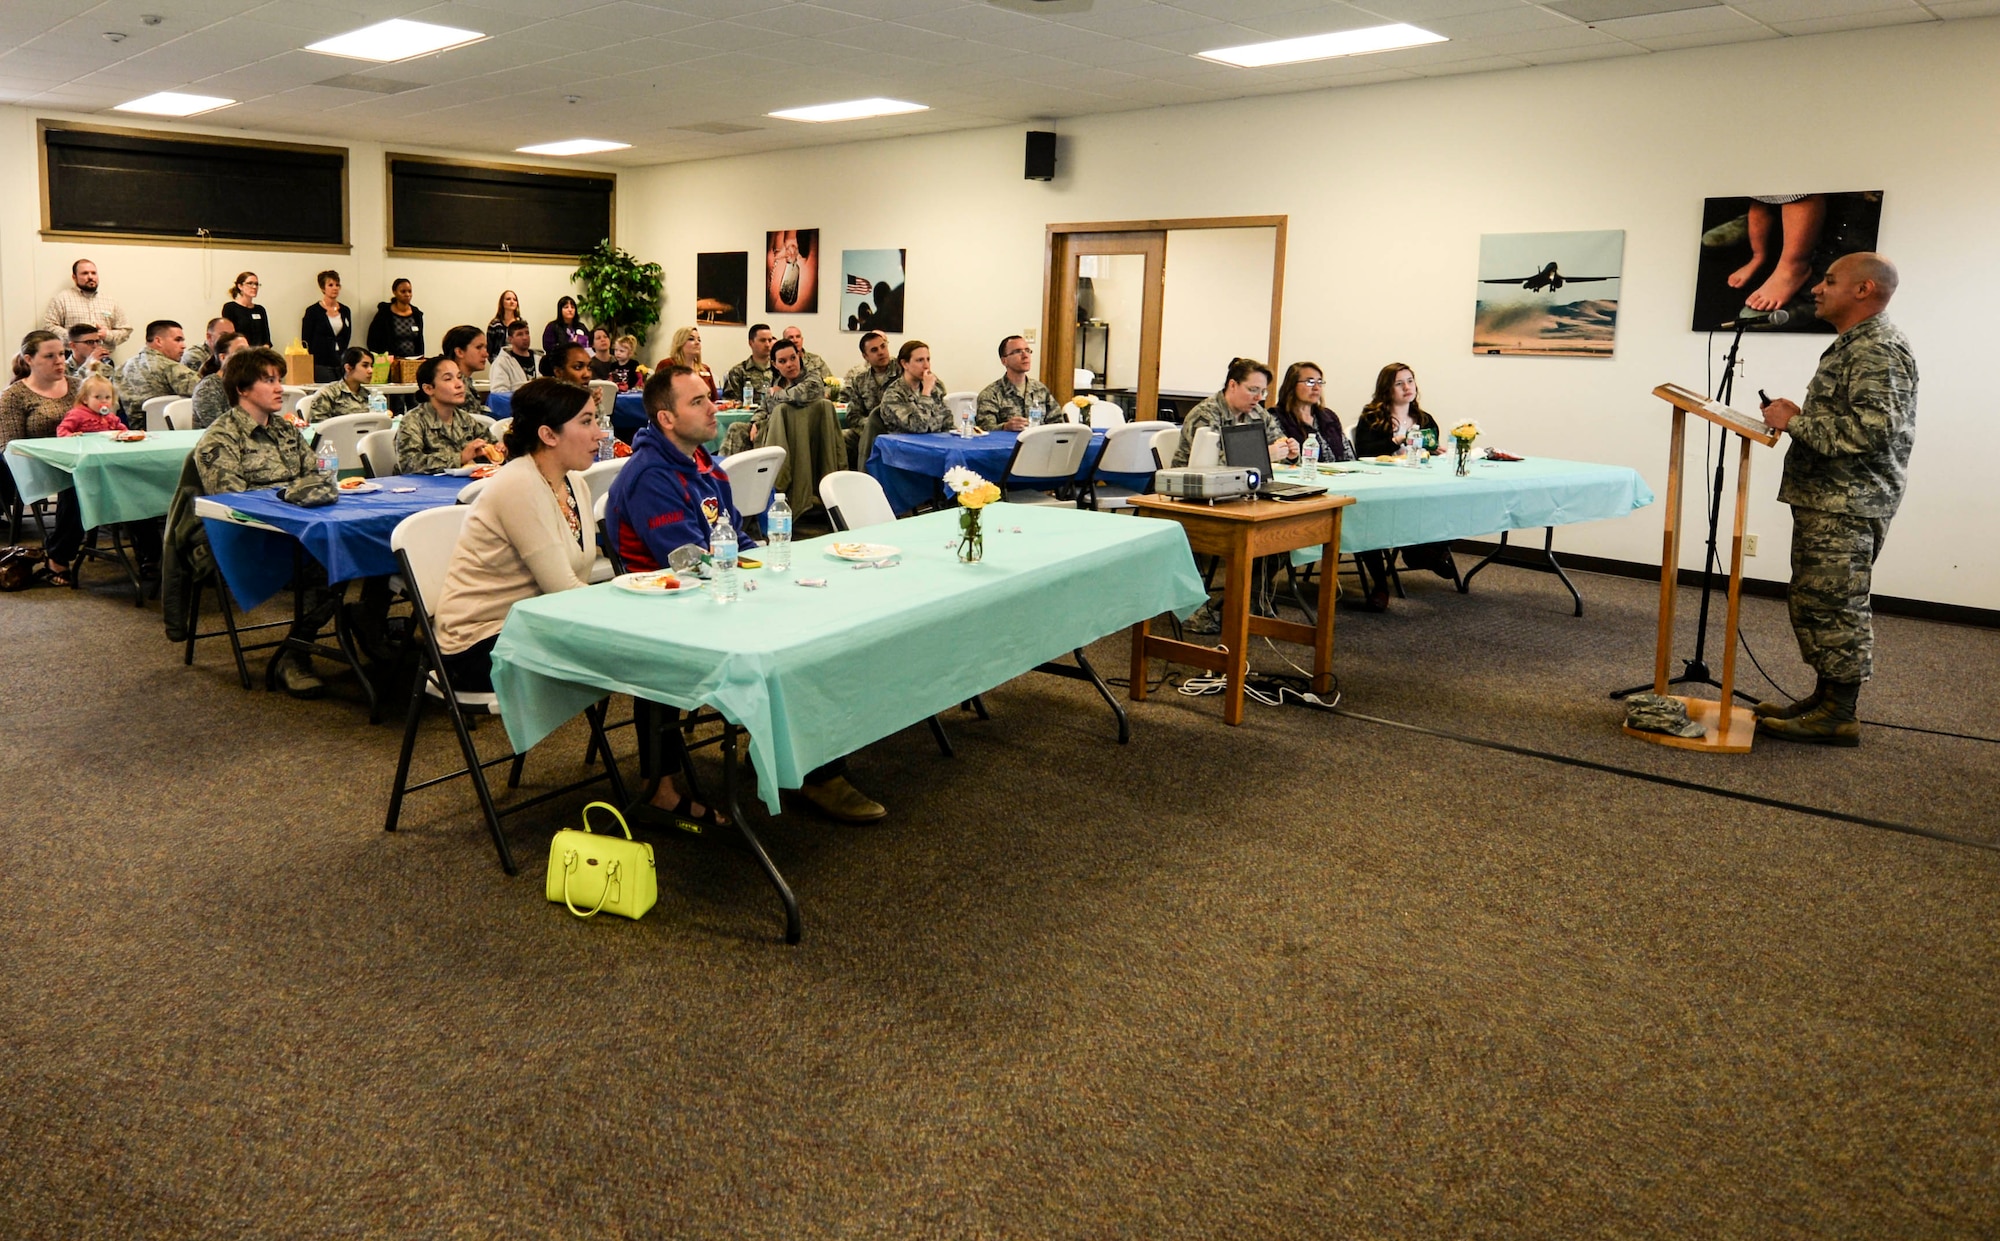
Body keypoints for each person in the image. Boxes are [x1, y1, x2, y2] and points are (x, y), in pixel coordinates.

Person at [605, 364, 886, 826]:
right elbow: (689, 560)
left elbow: (734, 534)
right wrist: (757, 580)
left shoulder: (703, 462)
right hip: (670, 612)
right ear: (666, 419)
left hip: (716, 590)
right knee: (801, 638)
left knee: (824, 618)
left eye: (709, 396)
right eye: (697, 401)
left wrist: (775, 569)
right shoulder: (651, 475)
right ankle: (811, 770)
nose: (713, 407)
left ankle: (795, 755)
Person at [1753, 253, 1916, 746]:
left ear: (1863, 290)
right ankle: (1825, 699)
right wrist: (1801, 415)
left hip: (1849, 502)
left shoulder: (1877, 349)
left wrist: (1794, 423)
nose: (1817, 289)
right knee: (1816, 601)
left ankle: (1839, 713)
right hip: (1833, 499)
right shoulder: (1856, 345)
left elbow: (1875, 431)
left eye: (1828, 281)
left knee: (1836, 606)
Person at [430, 379, 603, 695]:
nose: (599, 433)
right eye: (587, 422)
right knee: (633, 656)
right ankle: (660, 740)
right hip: (480, 645)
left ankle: (661, 740)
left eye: (596, 420)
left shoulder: (575, 484)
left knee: (640, 654)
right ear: (548, 435)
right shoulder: (519, 484)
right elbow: (561, 588)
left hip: (532, 625)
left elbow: (571, 583)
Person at [193, 346, 328, 696]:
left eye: (279, 379)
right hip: (249, 537)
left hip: (296, 527)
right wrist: (292, 494)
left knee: (370, 550)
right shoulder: (220, 437)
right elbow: (233, 505)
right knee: (335, 563)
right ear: (242, 388)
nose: (280, 387)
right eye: (269, 380)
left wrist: (297, 495)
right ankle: (295, 655)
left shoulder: (285, 431)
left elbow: (317, 478)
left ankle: (367, 630)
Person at [1351, 362, 1454, 603]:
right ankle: (1380, 585)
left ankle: (1427, 553)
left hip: (1418, 486)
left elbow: (1428, 452)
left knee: (1451, 505)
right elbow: (1365, 452)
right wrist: (1398, 439)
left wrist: (1436, 452)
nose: (1407, 387)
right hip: (1380, 486)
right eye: (1399, 383)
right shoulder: (1373, 417)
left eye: (1410, 380)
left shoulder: (1424, 419)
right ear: (1387, 389)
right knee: (1369, 522)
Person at [42, 375, 127, 584]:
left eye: (107, 397)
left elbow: (123, 430)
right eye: (97, 397)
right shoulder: (78, 414)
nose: (103, 402)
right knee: (74, 496)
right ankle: (58, 556)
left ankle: (150, 557)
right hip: (83, 468)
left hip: (109, 467)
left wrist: (122, 433)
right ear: (85, 399)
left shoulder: (110, 418)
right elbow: (62, 431)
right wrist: (70, 437)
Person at [1170, 357, 1294, 468]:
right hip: (1194, 486)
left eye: (1263, 392)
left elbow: (1277, 444)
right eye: (1253, 390)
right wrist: (1263, 455)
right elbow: (1213, 465)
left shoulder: (1257, 412)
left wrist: (1290, 453)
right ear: (1233, 385)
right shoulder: (1205, 415)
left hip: (1242, 484)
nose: (1259, 397)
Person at [719, 338, 823, 456]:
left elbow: (798, 395)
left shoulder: (812, 377)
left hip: (796, 432)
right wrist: (755, 422)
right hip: (771, 428)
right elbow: (763, 408)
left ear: (799, 356)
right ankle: (722, 473)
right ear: (775, 364)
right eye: (782, 361)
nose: (789, 364)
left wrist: (777, 394)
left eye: (793, 358)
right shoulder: (778, 381)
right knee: (736, 429)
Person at [395, 355, 494, 474]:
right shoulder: (413, 421)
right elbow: (408, 464)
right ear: (428, 389)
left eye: (459, 377)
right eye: (448, 379)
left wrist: (500, 449)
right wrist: (460, 458)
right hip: (422, 489)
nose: (459, 384)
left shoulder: (465, 419)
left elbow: (489, 444)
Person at [2, 331, 78, 455]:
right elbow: (9, 450)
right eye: (49, 356)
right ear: (29, 359)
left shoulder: (80, 386)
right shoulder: (13, 396)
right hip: (37, 467)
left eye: (61, 354)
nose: (59, 361)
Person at [116, 320, 198, 426]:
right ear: (158, 341)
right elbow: (205, 392)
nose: (183, 346)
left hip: (132, 432)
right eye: (178, 340)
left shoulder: (121, 369)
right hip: (169, 432)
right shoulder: (171, 367)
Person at [1273, 361, 1354, 465]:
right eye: (1310, 382)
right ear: (1292, 385)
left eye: (1320, 382)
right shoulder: (1277, 417)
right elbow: (1281, 459)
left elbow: (1348, 455)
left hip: (1338, 475)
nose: (1316, 388)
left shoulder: (1329, 416)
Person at [41, 259, 131, 347]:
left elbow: (125, 330)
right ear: (74, 277)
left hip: (103, 358)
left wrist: (107, 335)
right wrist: (77, 336)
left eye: (93, 273)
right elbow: (48, 327)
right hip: (71, 358)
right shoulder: (62, 299)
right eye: (85, 273)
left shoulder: (110, 301)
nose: (90, 277)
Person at [839, 330, 898, 462]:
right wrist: (872, 426)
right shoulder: (860, 380)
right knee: (837, 439)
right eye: (874, 350)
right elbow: (853, 416)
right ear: (865, 356)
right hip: (867, 430)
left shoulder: (903, 371)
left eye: (883, 346)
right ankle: (842, 478)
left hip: (897, 431)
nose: (881, 352)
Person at [975, 335, 1056, 431]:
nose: (1025, 356)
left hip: (1040, 444)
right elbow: (984, 430)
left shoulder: (1041, 390)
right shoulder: (991, 394)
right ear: (1004, 361)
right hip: (1008, 445)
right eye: (1017, 352)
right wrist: (1005, 427)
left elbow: (1058, 422)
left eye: (1027, 350)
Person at [876, 340, 953, 433]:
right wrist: (926, 392)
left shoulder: (935, 387)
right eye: (920, 360)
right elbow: (919, 427)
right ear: (904, 364)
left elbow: (948, 422)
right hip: (907, 446)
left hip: (935, 443)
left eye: (928, 359)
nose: (926, 366)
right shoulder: (893, 395)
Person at [300, 270, 352, 383]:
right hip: (321, 362)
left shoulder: (345, 310)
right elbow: (306, 339)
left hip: (340, 360)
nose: (335, 288)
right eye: (331, 285)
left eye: (337, 285)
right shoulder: (313, 311)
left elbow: (347, 335)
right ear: (323, 288)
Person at [191, 331, 247, 429]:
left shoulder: (246, 384)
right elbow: (219, 428)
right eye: (240, 351)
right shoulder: (207, 388)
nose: (248, 357)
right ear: (223, 357)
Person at [309, 347, 377, 422]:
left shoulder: (369, 395)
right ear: (348, 368)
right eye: (365, 365)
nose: (371, 371)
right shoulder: (328, 393)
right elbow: (317, 425)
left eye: (371, 366)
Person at [366, 278, 424, 364]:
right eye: (403, 291)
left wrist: (421, 357)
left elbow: (419, 339)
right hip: (390, 361)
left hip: (412, 361)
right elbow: (372, 339)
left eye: (409, 291)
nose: (407, 294)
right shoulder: (385, 313)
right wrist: (381, 358)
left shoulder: (416, 314)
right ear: (394, 292)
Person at [440, 324, 490, 418]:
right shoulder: (456, 387)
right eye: (479, 347)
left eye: (485, 348)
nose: (485, 354)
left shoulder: (466, 382)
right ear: (459, 352)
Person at [722, 323, 777, 405]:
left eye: (769, 340)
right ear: (751, 343)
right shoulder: (738, 371)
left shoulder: (779, 369)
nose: (767, 345)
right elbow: (730, 402)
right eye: (762, 340)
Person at [660, 325, 717, 398]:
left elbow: (715, 400)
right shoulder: (667, 365)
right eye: (691, 339)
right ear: (680, 343)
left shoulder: (705, 369)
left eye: (699, 340)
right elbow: (658, 397)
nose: (697, 343)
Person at [219, 271, 271, 347]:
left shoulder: (260, 309)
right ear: (240, 286)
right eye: (250, 283)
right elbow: (229, 337)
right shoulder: (230, 308)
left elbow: (266, 338)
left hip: (259, 354)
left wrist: (264, 350)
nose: (254, 287)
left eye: (256, 284)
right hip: (240, 353)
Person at [488, 320, 537, 394]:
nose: (525, 338)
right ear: (510, 339)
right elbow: (499, 393)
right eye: (520, 334)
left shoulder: (540, 359)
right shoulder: (501, 363)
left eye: (527, 333)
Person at [65, 324, 118, 393]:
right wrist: (88, 364)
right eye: (89, 342)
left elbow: (113, 397)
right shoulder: (62, 369)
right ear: (73, 345)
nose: (95, 346)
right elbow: (71, 391)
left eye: (97, 341)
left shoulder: (105, 368)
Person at [486, 289, 521, 361]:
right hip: (498, 361)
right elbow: (489, 348)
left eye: (514, 300)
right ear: (502, 303)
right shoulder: (494, 324)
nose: (512, 302)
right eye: (508, 299)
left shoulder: (521, 323)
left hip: (518, 361)